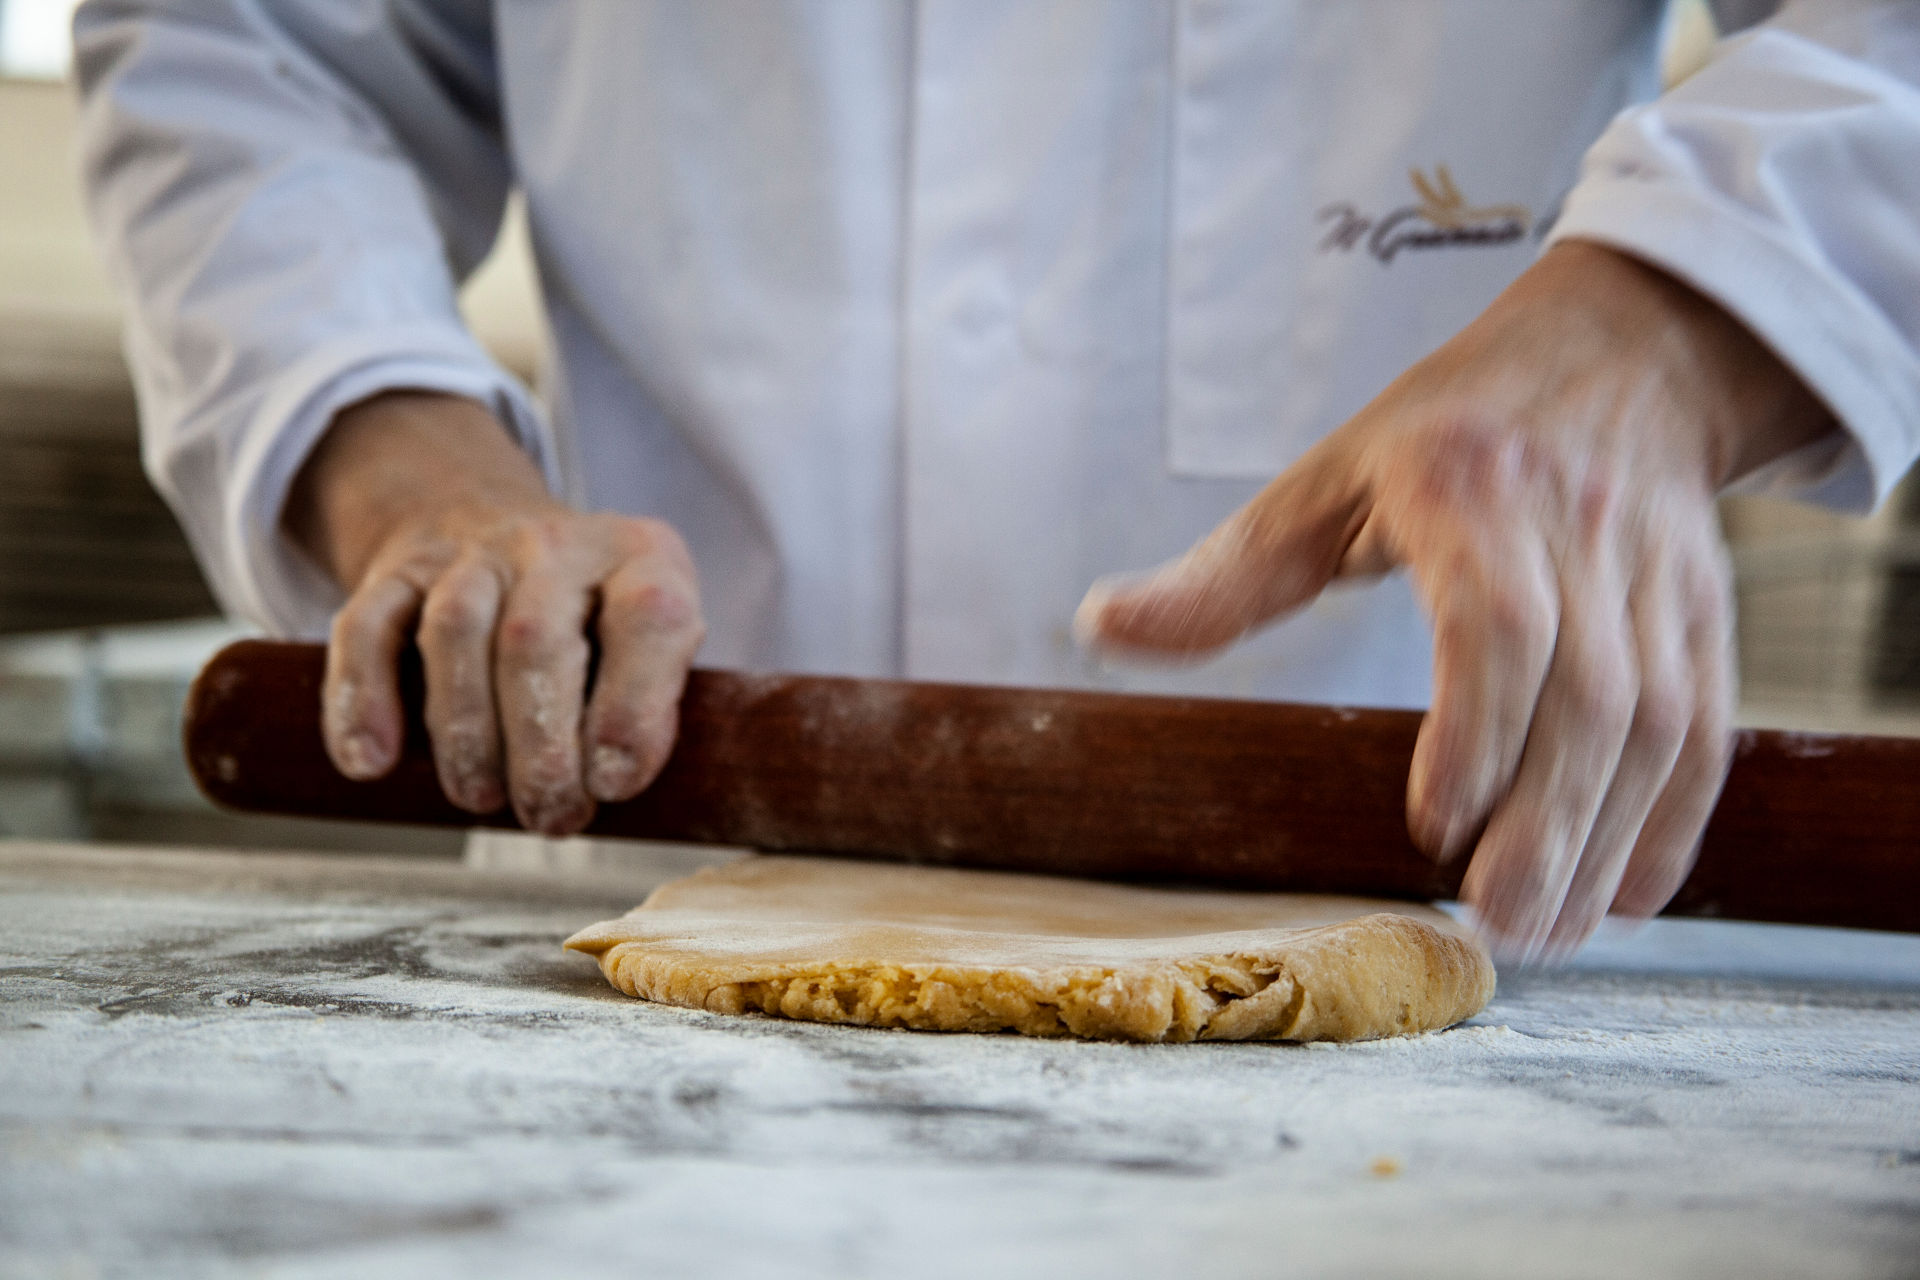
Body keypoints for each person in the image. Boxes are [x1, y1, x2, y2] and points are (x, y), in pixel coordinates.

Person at [73, 1, 1920, 960]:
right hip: (625, 883)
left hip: (1446, 888)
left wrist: (1674, 330)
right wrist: (394, 453)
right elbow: (254, 50)